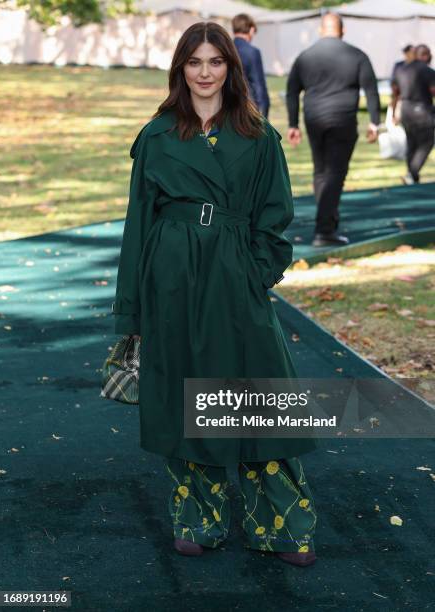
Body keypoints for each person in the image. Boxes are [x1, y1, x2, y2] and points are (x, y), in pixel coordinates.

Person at [112, 22, 318, 566]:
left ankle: (279, 525)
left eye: (216, 62)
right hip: (172, 278)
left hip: (235, 276)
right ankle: (198, 519)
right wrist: (132, 307)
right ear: (181, 69)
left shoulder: (257, 135)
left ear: (231, 67)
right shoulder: (157, 135)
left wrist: (255, 271)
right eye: (194, 62)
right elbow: (138, 224)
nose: (205, 73)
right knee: (187, 394)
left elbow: (276, 216)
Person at [286, 12, 381, 247]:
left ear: (321, 30)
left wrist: (293, 124)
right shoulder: (357, 55)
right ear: (342, 30)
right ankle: (324, 230)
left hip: (314, 118)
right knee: (335, 174)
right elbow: (371, 90)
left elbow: (291, 91)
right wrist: (374, 121)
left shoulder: (305, 56)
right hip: (342, 119)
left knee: (321, 172)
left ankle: (328, 220)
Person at [392, 44, 435, 185]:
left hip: (406, 110)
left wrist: (394, 111)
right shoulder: (427, 71)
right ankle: (413, 172)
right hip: (422, 111)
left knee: (412, 144)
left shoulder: (401, 69)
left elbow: (395, 92)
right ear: (423, 55)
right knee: (427, 142)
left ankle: (412, 177)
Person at [232, 13, 270, 118]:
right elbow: (259, 86)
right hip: (247, 110)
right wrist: (264, 115)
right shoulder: (252, 52)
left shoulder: (223, 49)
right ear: (251, 30)